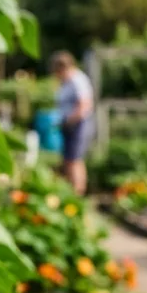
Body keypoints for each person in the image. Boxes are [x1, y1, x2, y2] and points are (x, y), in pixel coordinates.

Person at [51, 50, 94, 195]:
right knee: (68, 159)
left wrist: (70, 120)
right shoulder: (66, 82)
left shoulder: (78, 80)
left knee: (75, 159)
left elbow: (84, 105)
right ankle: (71, 191)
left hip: (78, 124)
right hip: (69, 124)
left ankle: (78, 193)